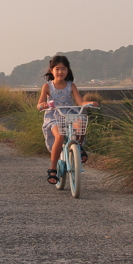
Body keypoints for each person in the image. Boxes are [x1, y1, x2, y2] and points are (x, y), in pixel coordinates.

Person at [36, 55, 98, 184]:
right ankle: (53, 167)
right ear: (51, 70)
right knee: (59, 136)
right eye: (57, 69)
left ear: (68, 70)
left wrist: (89, 103)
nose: (60, 72)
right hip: (54, 116)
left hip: (70, 114)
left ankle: (78, 146)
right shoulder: (47, 86)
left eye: (63, 69)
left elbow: (80, 102)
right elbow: (39, 104)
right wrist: (42, 105)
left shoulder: (71, 85)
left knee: (81, 123)